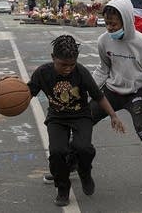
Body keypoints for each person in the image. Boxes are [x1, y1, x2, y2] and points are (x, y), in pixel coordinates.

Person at [27, 35, 125, 207]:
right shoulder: (43, 73)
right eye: (63, 64)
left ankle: (84, 172)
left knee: (83, 148)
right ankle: (63, 188)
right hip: (57, 117)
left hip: (81, 116)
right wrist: (9, 86)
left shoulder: (81, 72)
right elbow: (25, 93)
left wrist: (113, 115)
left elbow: (98, 96)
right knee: (57, 152)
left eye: (71, 64)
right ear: (52, 58)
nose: (68, 69)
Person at [91, 0, 142, 196]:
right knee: (83, 119)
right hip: (112, 91)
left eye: (114, 24)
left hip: (137, 92)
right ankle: (73, 160)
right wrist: (88, 90)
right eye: (107, 23)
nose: (109, 28)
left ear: (126, 21)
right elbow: (103, 70)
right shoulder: (104, 41)